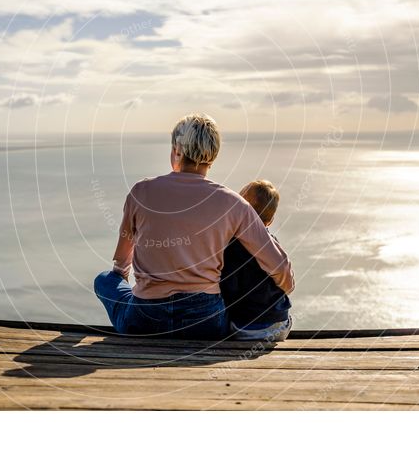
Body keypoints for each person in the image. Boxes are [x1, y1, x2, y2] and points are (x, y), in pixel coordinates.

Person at [94, 113, 294, 340]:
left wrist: (142, 286)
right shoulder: (234, 204)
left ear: (177, 150)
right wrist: (283, 292)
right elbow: (280, 267)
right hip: (206, 323)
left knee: (104, 280)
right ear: (213, 156)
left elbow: (121, 264)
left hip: (145, 319)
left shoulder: (140, 192)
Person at [220, 180, 293, 342]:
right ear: (271, 221)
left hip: (243, 328)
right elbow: (288, 284)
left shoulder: (229, 246)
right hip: (279, 325)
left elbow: (227, 290)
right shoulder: (273, 245)